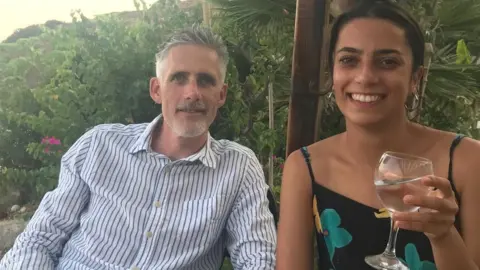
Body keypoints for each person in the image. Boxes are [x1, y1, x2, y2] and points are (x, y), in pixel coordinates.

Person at [0, 25, 276, 270]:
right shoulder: (99, 146)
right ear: (156, 90)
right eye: (178, 78)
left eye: (205, 80)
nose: (192, 93)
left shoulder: (238, 168)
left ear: (221, 95)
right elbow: (40, 239)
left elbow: (258, 259)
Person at [276, 1, 479, 270]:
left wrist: (443, 236)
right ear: (333, 73)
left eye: (387, 62)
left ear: (415, 79)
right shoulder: (304, 167)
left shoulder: (468, 162)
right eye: (349, 60)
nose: (365, 76)